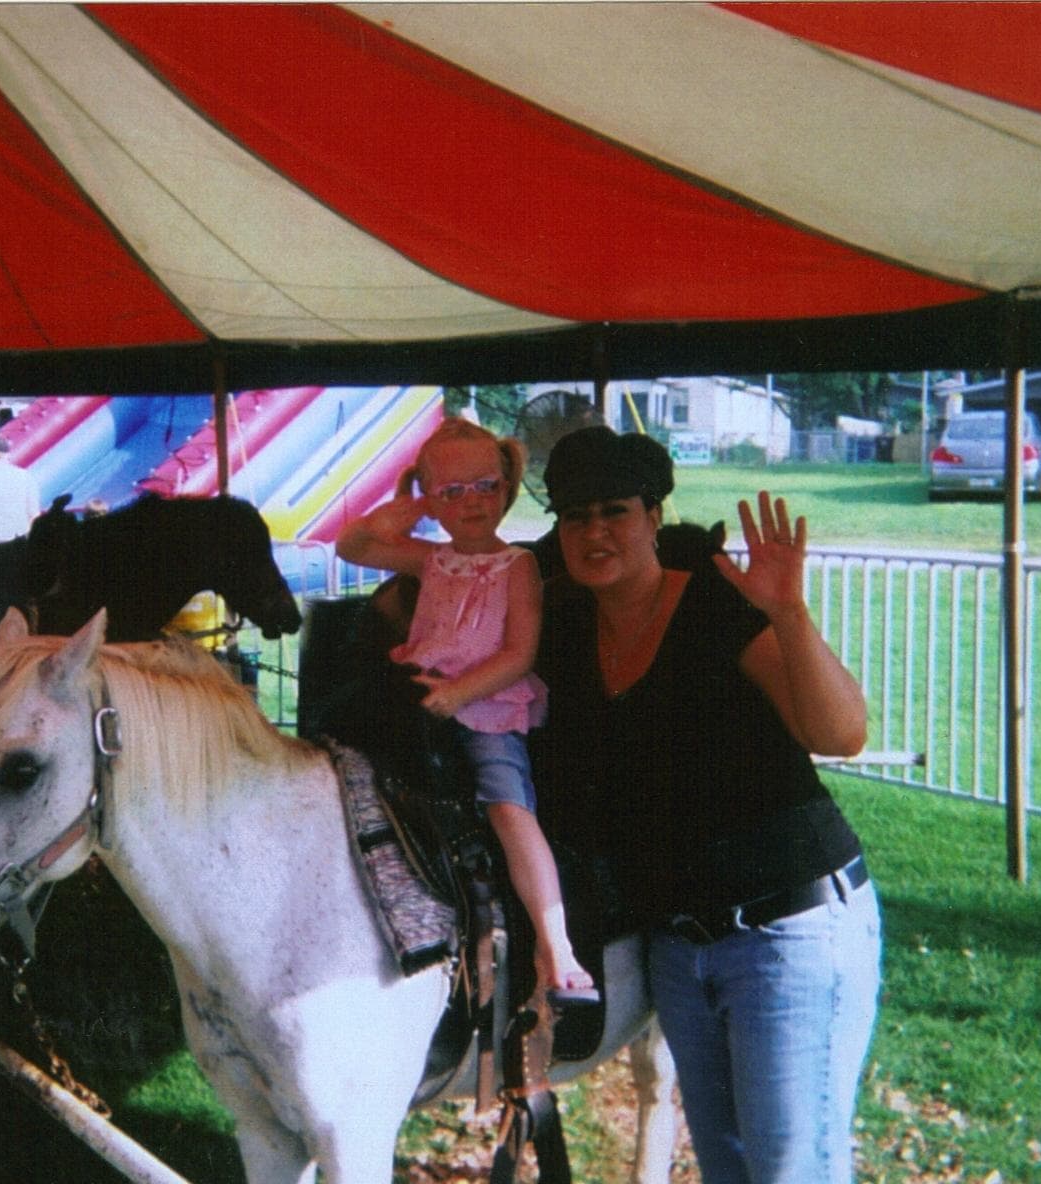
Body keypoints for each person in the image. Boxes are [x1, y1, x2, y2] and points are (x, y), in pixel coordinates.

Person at [533, 425, 878, 1184]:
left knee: (791, 1168)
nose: (593, 531)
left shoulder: (715, 604)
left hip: (786, 927)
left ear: (653, 516)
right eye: (573, 516)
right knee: (728, 1166)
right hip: (678, 949)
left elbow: (840, 732)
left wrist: (788, 612)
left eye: (613, 510)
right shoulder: (562, 626)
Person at [338, 417, 594, 1002]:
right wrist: (390, 516)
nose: (472, 503)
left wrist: (457, 694)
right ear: (432, 499)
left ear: (505, 487)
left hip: (484, 705)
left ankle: (556, 942)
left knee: (506, 804)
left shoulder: (518, 567)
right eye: (451, 493)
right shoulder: (432, 561)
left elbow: (518, 651)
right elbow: (351, 547)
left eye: (486, 486)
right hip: (418, 695)